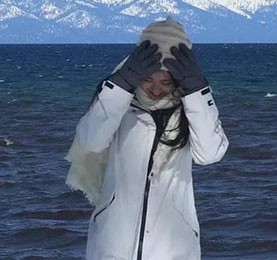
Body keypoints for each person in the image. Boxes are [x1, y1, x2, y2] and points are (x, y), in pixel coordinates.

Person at [65, 18, 229, 260]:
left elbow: (210, 154)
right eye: (147, 79)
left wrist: (196, 90)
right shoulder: (116, 101)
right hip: (113, 245)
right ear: (136, 70)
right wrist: (121, 84)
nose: (155, 89)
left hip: (172, 247)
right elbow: (91, 140)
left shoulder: (193, 107)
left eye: (166, 82)